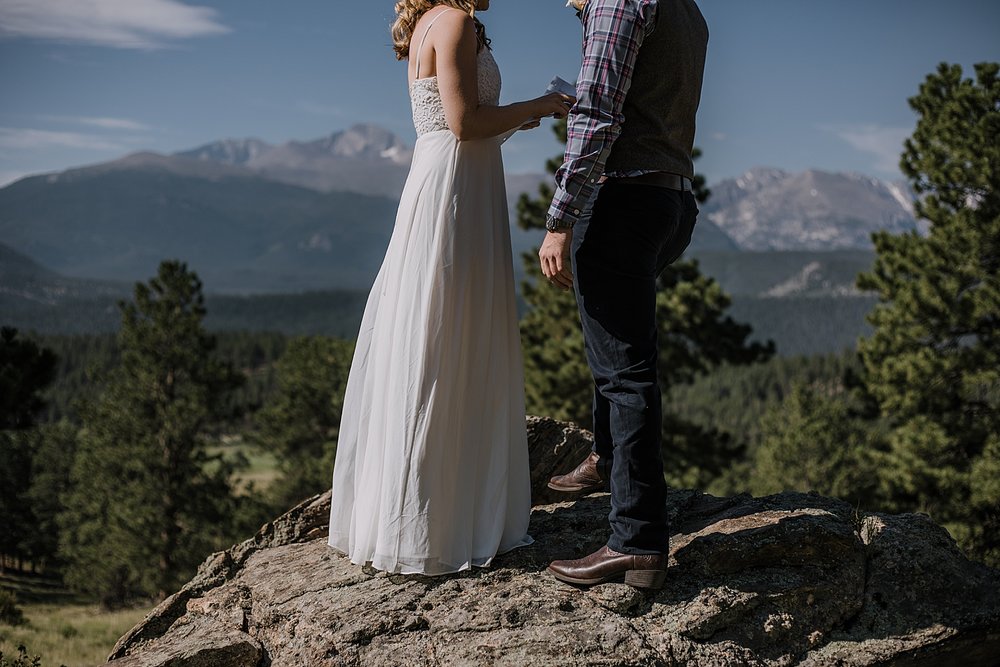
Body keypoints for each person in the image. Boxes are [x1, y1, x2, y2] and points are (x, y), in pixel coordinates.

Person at [327, 0, 574, 576]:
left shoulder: (429, 24)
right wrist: (538, 105)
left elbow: (455, 123)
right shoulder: (457, 22)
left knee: (433, 335)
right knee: (451, 335)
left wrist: (514, 117)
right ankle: (442, 520)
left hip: (449, 176)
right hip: (456, 189)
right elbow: (463, 125)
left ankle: (421, 511)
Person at [541, 0, 709, 589]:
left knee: (625, 373)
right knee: (618, 349)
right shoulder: (686, 9)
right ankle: (607, 459)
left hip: (621, 200)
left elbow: (597, 116)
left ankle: (635, 540)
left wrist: (561, 216)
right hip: (671, 197)